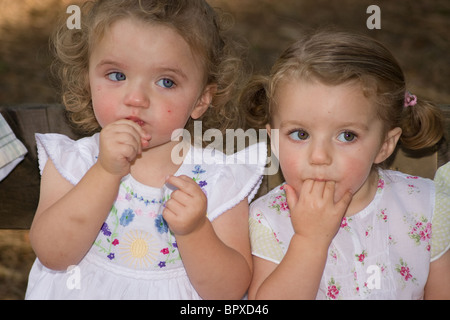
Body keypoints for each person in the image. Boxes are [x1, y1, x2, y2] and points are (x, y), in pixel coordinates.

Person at [26, 0, 266, 300]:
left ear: (202, 100)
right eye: (117, 75)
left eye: (166, 82)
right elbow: (53, 254)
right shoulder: (73, 162)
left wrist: (195, 231)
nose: (136, 98)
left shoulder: (218, 179)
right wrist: (104, 172)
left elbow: (229, 293)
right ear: (87, 79)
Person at [242, 30, 450, 299]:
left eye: (347, 136)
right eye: (300, 134)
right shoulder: (268, 219)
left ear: (385, 145)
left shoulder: (427, 208)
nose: (319, 156)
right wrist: (310, 242)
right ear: (274, 141)